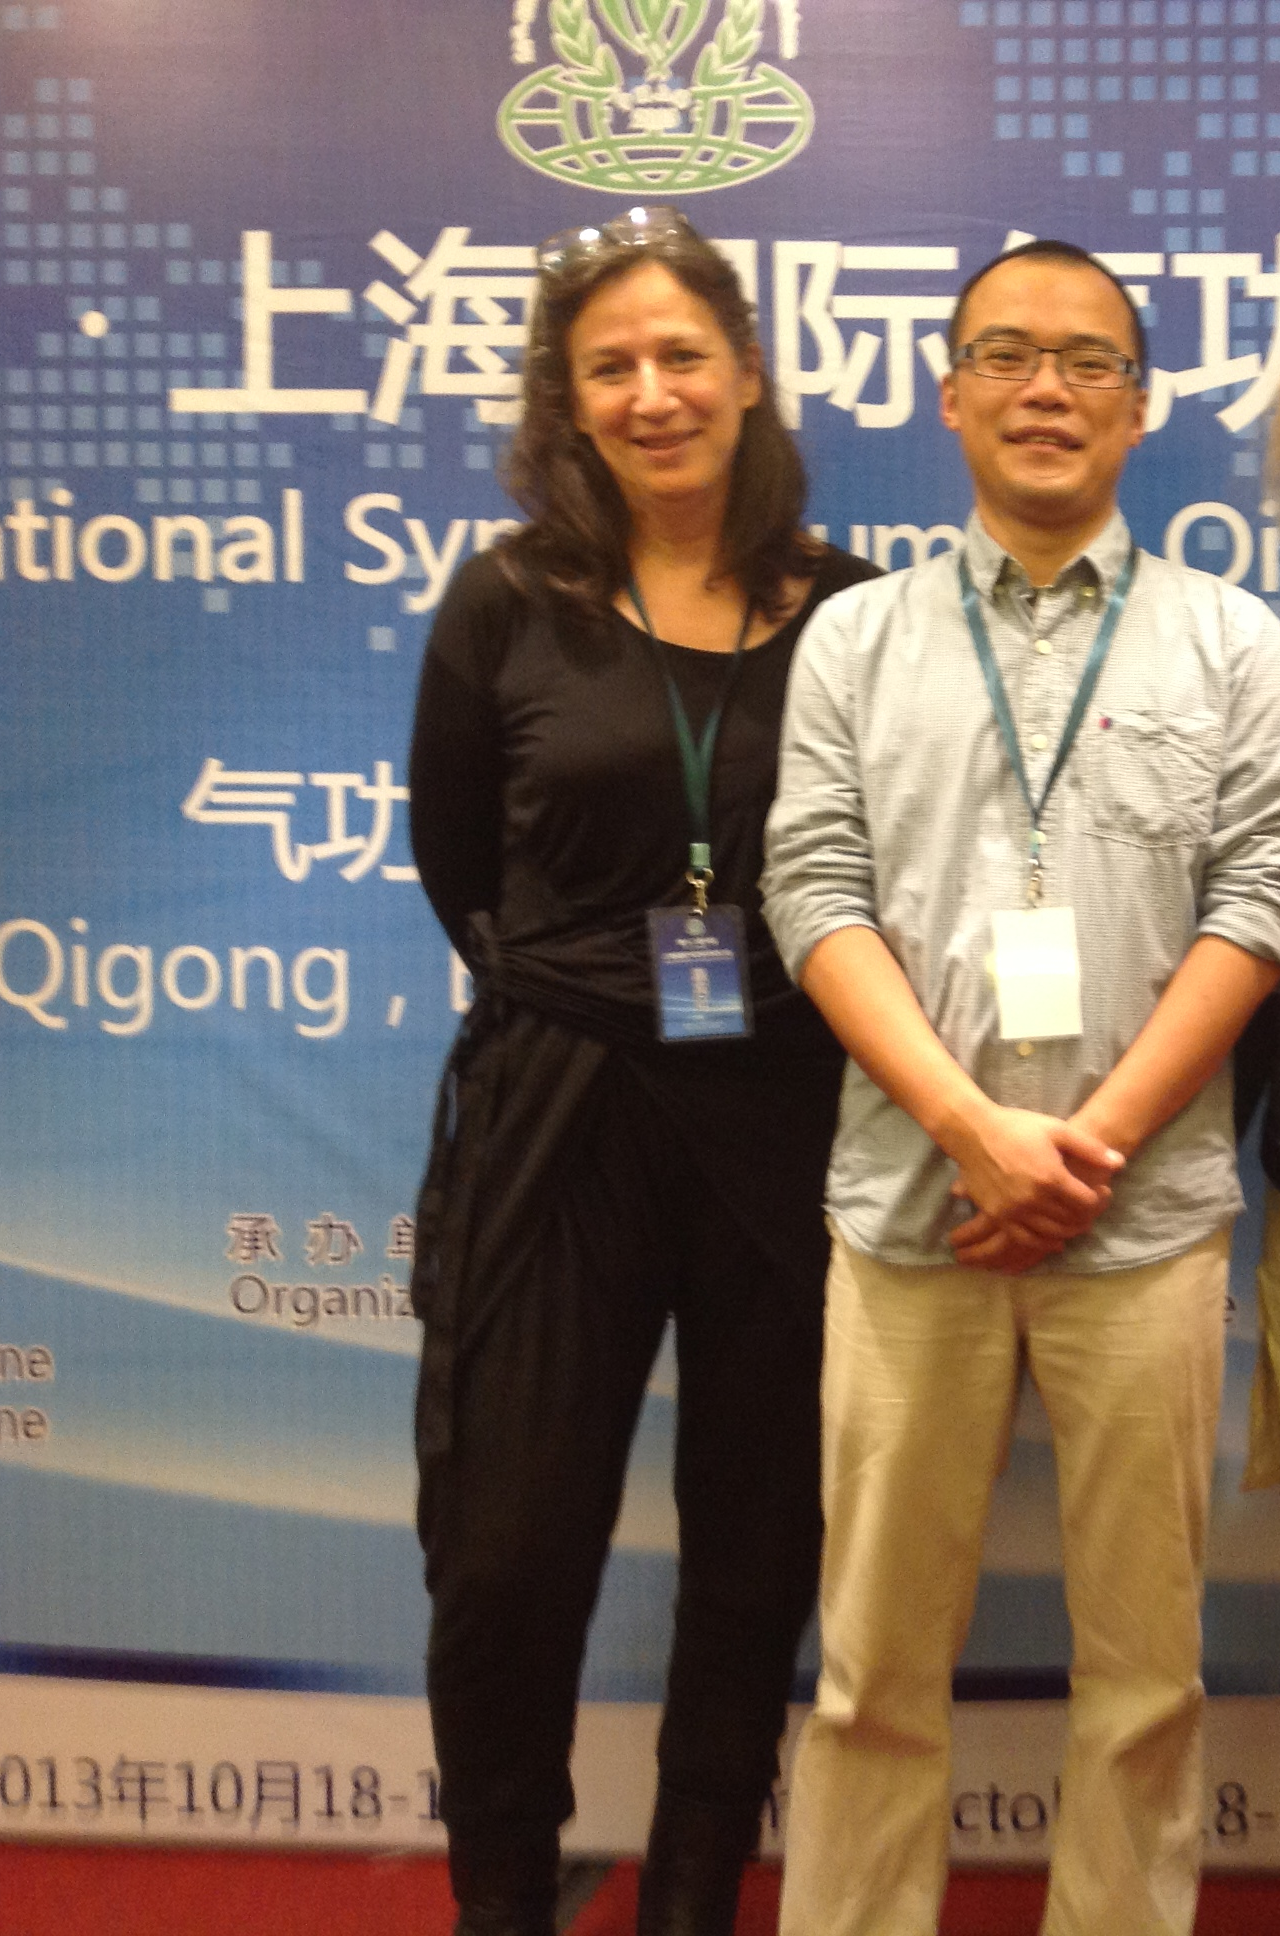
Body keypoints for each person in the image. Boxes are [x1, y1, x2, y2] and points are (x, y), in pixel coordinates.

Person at [761, 238, 1280, 1936]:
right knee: (872, 1670)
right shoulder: (856, 639)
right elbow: (811, 890)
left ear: (1140, 407)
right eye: (1005, 355)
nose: (1045, 389)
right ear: (947, 394)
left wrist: (1089, 1146)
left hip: (1148, 1224)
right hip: (913, 1211)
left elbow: (1262, 901)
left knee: (1144, 1678)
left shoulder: (1237, 643)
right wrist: (972, 1128)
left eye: (1086, 362)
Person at [407, 205, 879, 1936]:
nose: (652, 392)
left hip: (783, 1112)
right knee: (507, 1555)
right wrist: (598, 986)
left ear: (749, 373)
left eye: (684, 354)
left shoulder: (852, 611)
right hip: (560, 1109)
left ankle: (691, 1898)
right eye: (610, 366)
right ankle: (504, 1902)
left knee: (756, 1551)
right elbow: (457, 860)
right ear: (570, 400)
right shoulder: (507, 598)